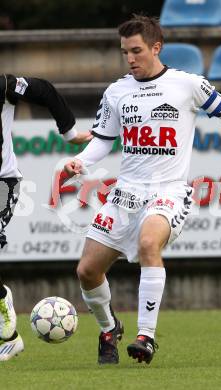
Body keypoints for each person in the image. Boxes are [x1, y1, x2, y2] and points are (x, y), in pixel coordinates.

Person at [64, 15, 221, 365]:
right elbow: (103, 141)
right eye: (125, 52)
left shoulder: (187, 84)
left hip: (167, 192)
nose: (130, 59)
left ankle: (146, 337)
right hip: (125, 194)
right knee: (87, 271)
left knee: (148, 242)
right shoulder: (117, 91)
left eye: (137, 50)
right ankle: (109, 328)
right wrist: (81, 161)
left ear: (156, 47)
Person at [0, 73, 92, 361]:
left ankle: (3, 300)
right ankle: (10, 339)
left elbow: (45, 91)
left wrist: (70, 133)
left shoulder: (4, 85)